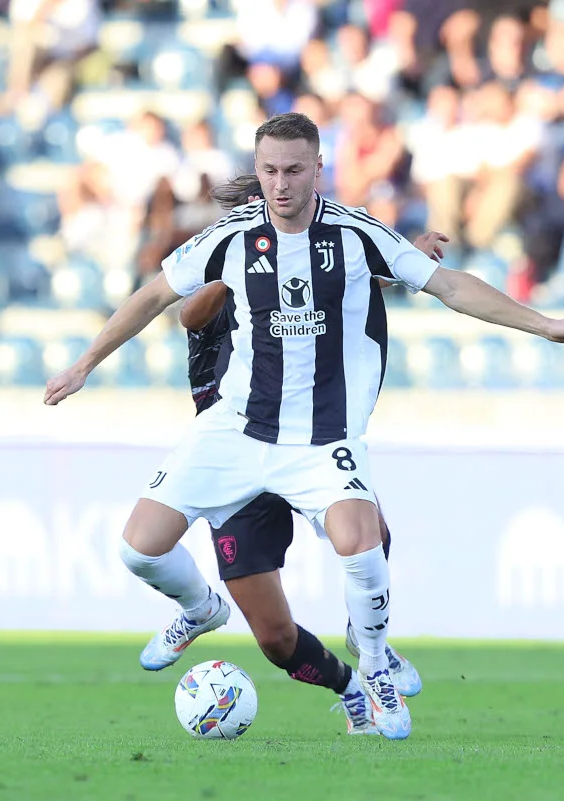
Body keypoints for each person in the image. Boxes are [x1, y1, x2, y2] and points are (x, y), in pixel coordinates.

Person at [45, 112, 564, 740]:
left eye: (294, 170)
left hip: (322, 436)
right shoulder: (229, 239)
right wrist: (84, 363)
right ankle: (200, 609)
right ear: (258, 173)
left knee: (361, 543)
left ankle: (375, 668)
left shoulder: (358, 234)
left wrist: (546, 324)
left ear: (318, 171)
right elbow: (155, 298)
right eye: (270, 171)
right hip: (235, 429)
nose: (281, 185)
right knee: (136, 547)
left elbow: (448, 285)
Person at [174, 179, 429, 736]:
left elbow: (349, 271)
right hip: (237, 459)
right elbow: (189, 316)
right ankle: (350, 688)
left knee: (370, 535)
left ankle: (370, 646)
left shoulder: (311, 264)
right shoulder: (226, 270)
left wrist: (405, 257)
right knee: (274, 638)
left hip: (307, 441)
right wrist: (243, 256)